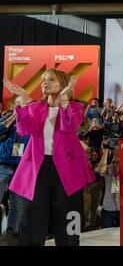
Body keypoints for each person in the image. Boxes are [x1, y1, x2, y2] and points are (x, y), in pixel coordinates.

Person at [3, 70, 96, 246]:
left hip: (67, 173)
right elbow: (24, 130)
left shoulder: (75, 108)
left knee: (69, 225)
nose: (45, 82)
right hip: (36, 170)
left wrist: (65, 98)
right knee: (31, 223)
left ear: (62, 83)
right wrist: (23, 97)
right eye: (43, 80)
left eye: (51, 79)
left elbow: (70, 126)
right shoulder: (36, 107)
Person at [0, 98, 30, 243]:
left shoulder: (30, 124)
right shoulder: (7, 116)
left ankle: (12, 234)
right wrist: (13, 117)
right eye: (19, 103)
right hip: (3, 166)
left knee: (16, 203)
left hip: (21, 169)